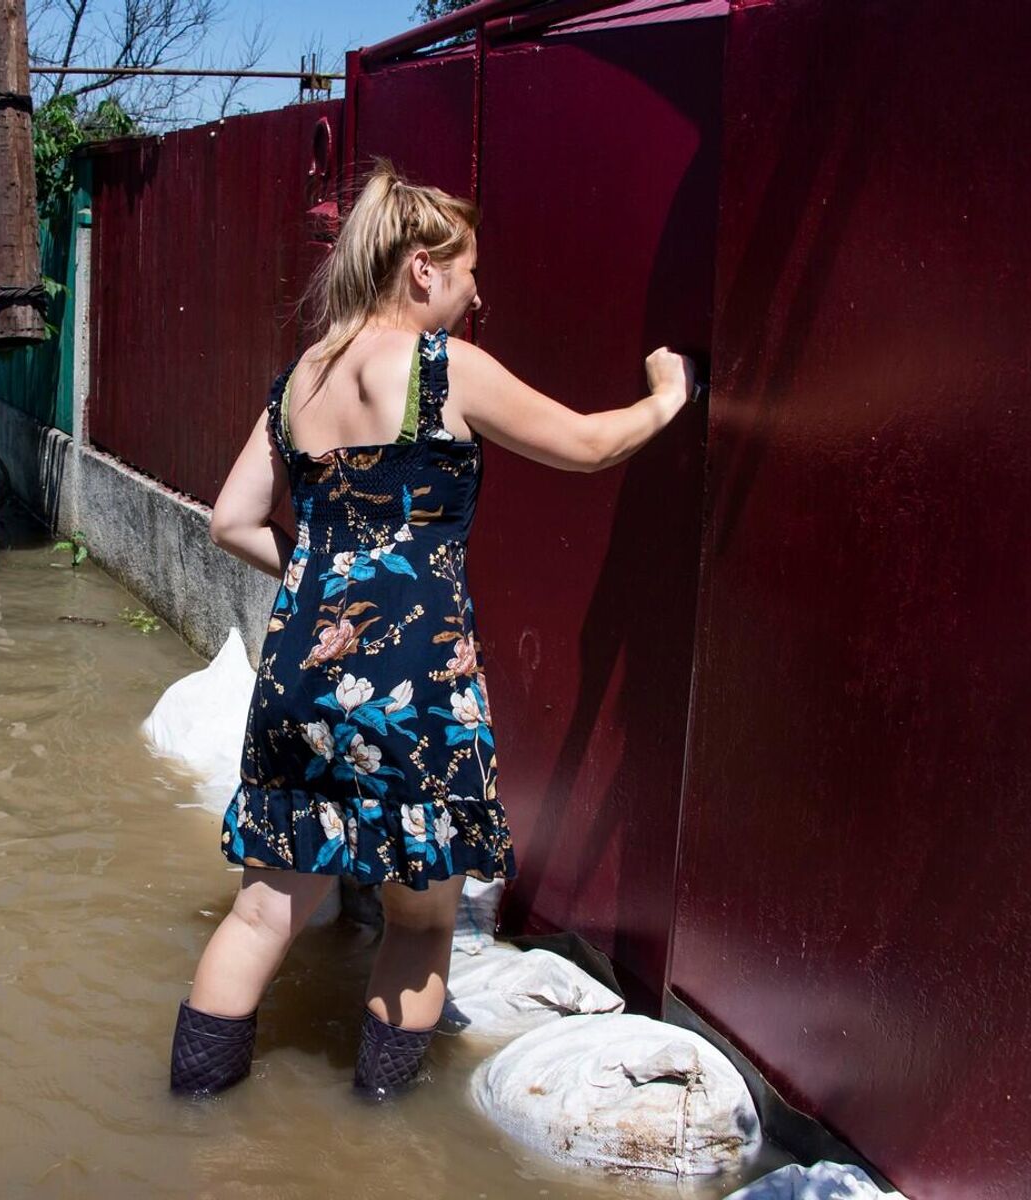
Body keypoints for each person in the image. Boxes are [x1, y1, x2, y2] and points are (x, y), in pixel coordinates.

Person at [169, 160, 697, 1101]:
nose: (477, 290)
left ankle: (193, 1113)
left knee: (260, 913)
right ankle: (380, 1140)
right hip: (416, 675)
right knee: (418, 926)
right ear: (422, 268)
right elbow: (584, 444)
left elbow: (229, 520)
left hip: (298, 664)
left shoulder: (299, 379)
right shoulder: (440, 370)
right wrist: (664, 396)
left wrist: (321, 576)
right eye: (469, 272)